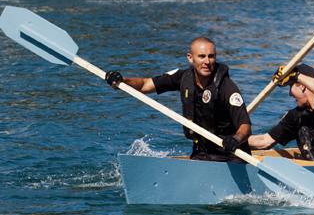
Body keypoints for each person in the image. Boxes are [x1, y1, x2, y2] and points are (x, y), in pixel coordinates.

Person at [104, 37, 252, 162]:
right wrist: (121, 81)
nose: (207, 61)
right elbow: (145, 84)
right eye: (202, 56)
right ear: (190, 58)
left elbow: (245, 126)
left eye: (211, 56)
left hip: (230, 156)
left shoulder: (227, 87)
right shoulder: (182, 77)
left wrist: (236, 139)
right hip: (202, 153)